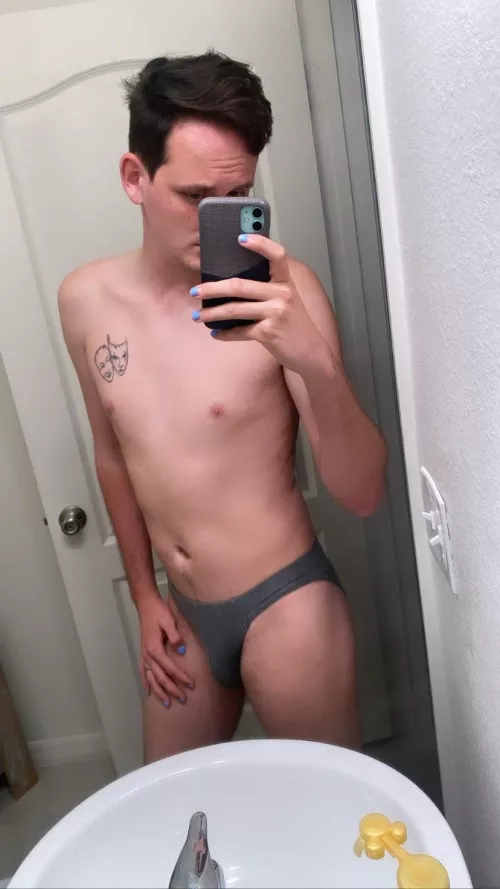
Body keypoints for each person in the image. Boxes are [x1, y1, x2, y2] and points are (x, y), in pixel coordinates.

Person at [58, 52, 387, 763]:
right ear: (135, 177)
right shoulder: (84, 301)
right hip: (182, 615)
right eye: (196, 196)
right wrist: (145, 596)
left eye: (237, 196)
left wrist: (313, 359)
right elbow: (113, 456)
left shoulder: (286, 293)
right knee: (174, 805)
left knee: (321, 806)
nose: (220, 221)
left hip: (287, 606)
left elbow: (363, 492)